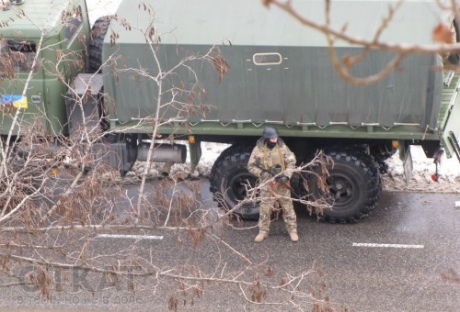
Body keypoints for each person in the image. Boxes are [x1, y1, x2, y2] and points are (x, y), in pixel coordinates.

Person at [247, 126, 298, 242]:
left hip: (282, 183)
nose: (275, 140)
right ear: (266, 138)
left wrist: (286, 175)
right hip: (267, 184)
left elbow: (291, 162)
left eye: (276, 137)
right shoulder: (258, 149)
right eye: (272, 138)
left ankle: (292, 230)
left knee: (287, 207)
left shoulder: (282, 147)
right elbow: (250, 166)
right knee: (265, 208)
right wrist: (262, 174)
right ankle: (263, 231)